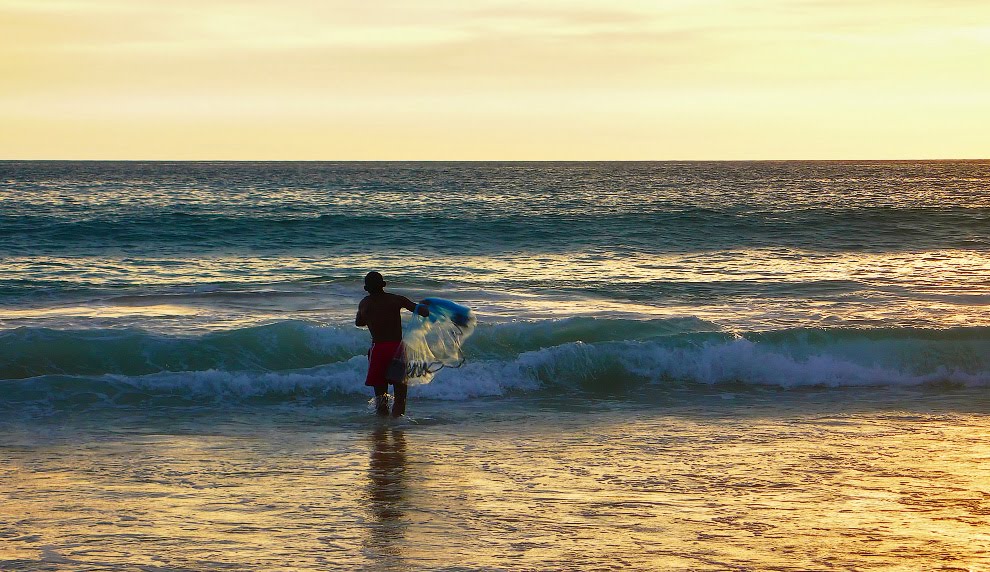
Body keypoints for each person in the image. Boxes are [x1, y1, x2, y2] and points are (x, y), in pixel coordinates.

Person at [355, 271, 429, 417]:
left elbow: (359, 322)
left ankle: (381, 430)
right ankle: (397, 430)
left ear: (366, 288)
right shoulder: (396, 300)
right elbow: (422, 312)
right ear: (384, 285)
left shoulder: (365, 303)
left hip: (378, 350)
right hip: (397, 349)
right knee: (400, 395)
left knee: (381, 397)